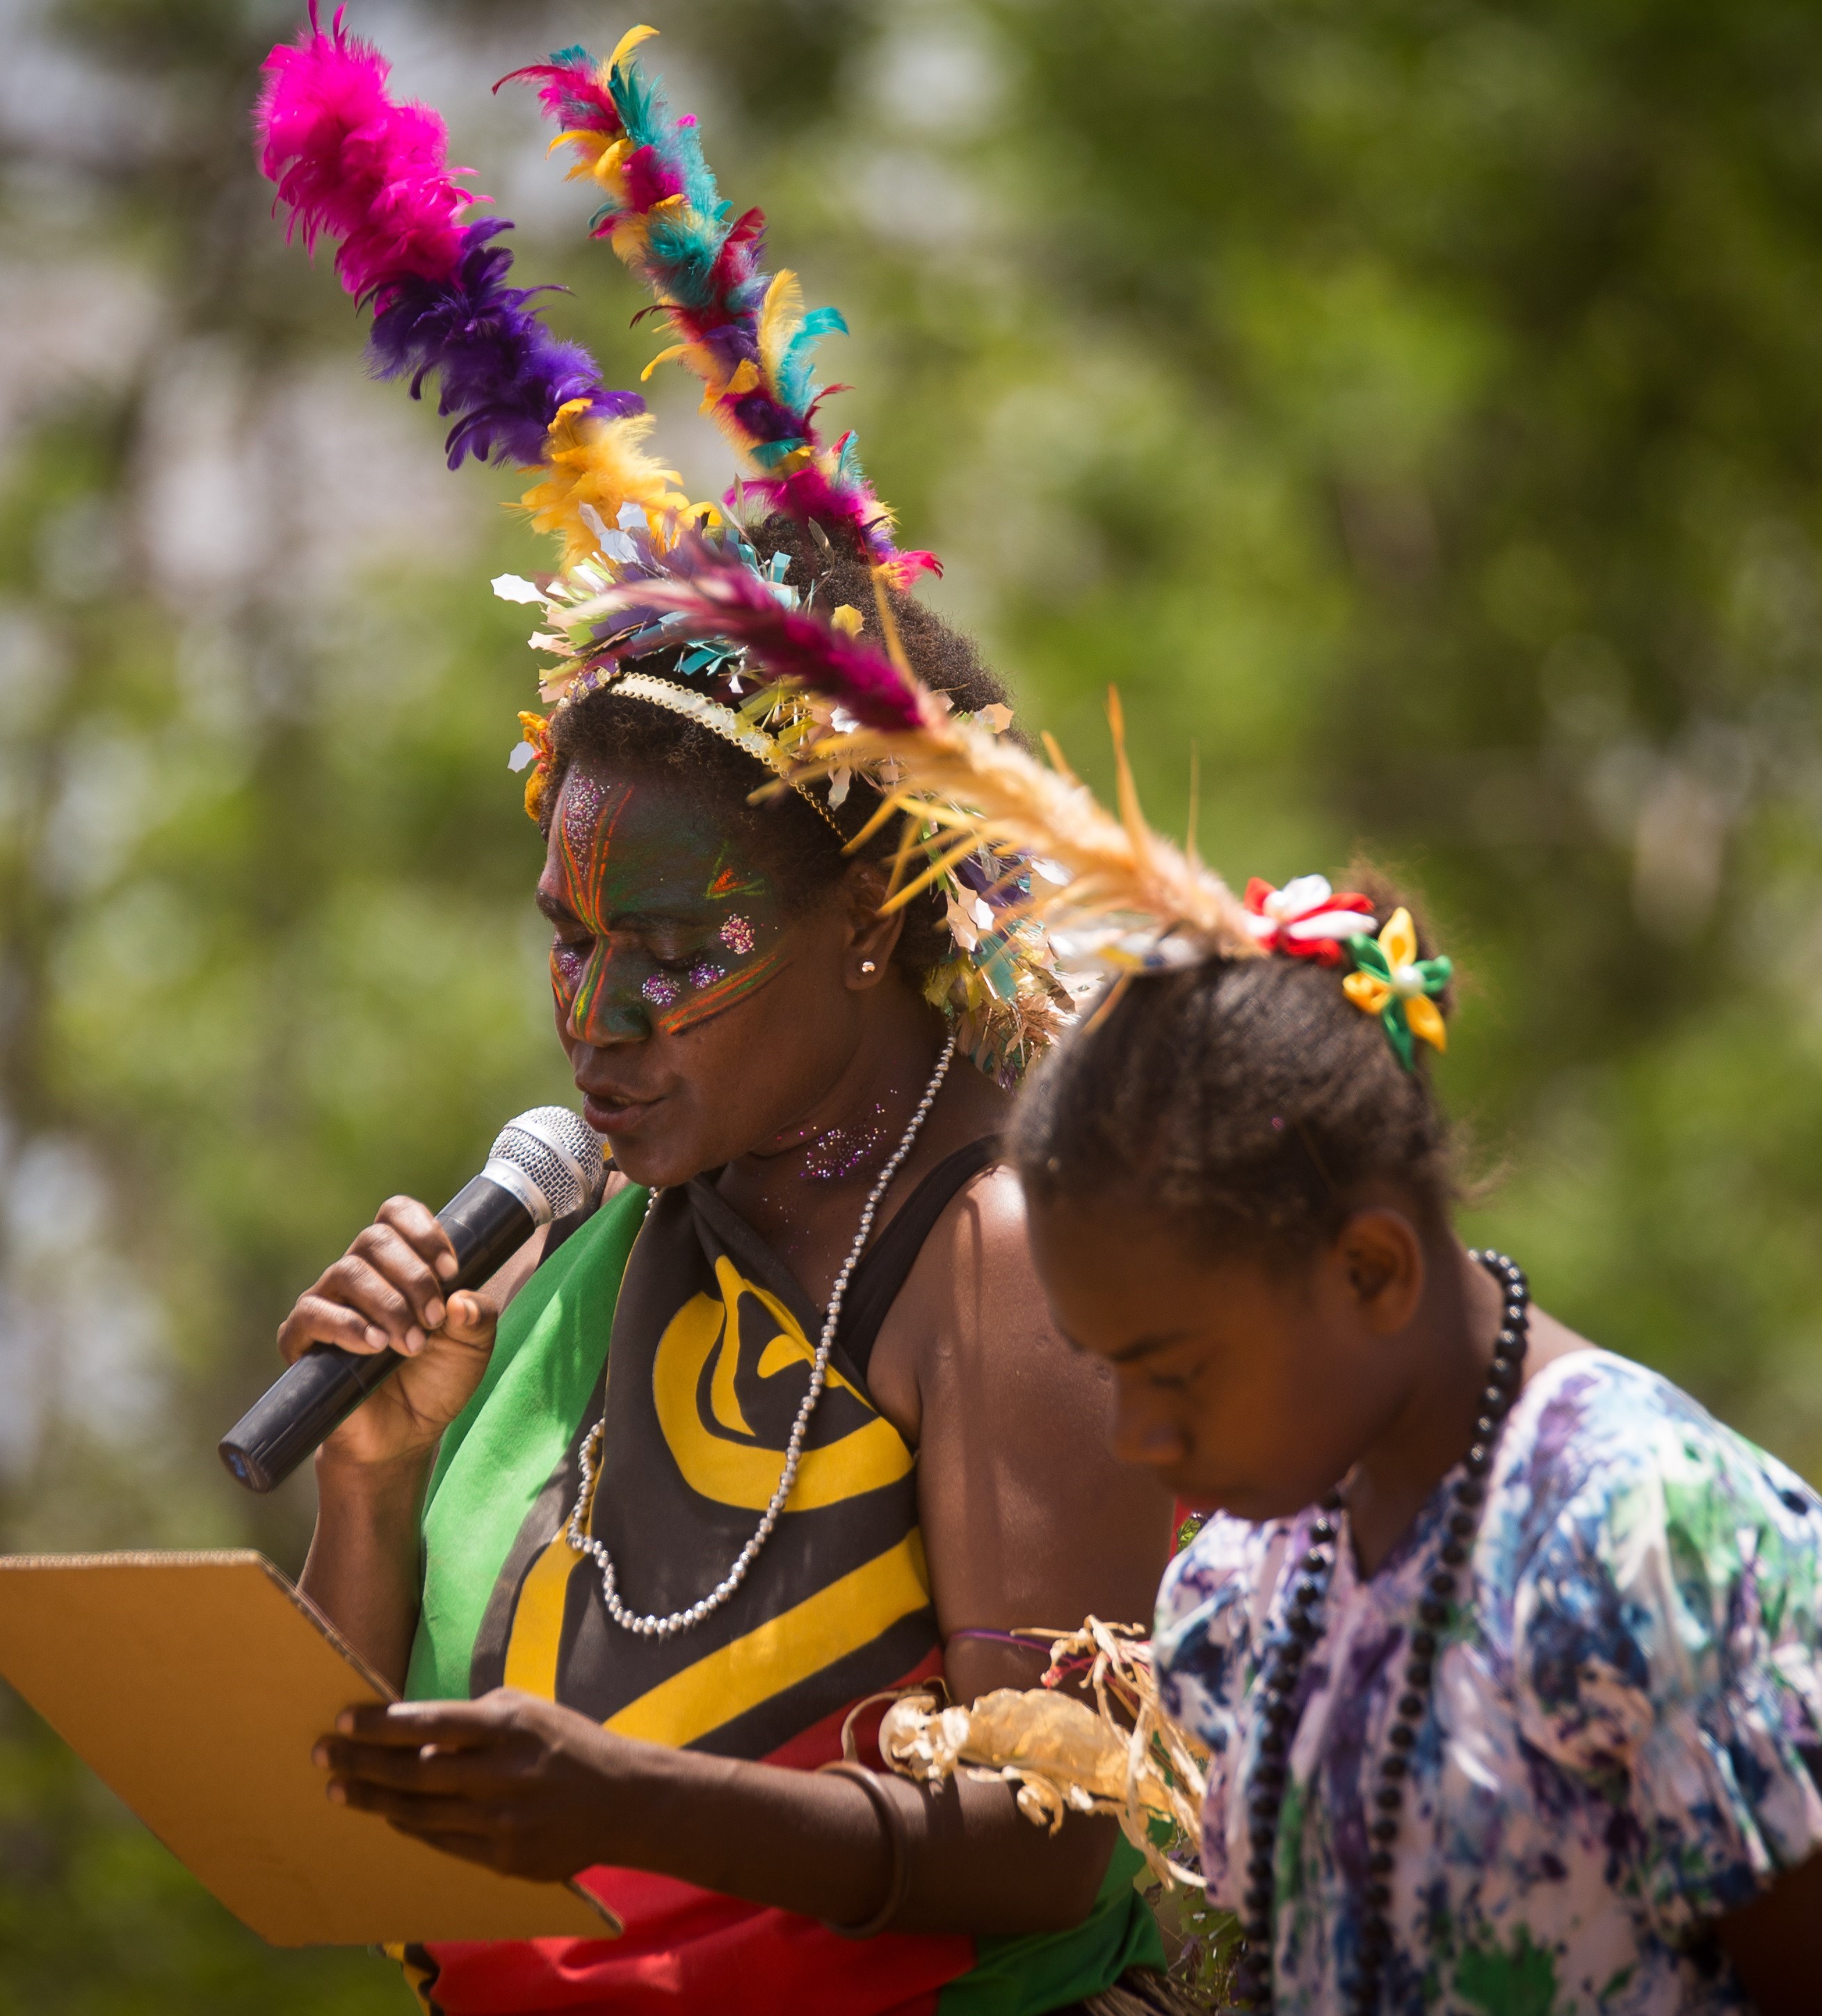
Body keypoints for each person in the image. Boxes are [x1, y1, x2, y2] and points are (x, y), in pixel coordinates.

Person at [256, 12, 1179, 2015]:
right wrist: (374, 1479)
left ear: (869, 916)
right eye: (565, 943)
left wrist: (632, 1800)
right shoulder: (588, 1237)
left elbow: (1052, 1838)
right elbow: (357, 1830)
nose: (595, 1018)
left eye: (671, 952)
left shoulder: (992, 1258)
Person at [1008, 880, 1822, 2014]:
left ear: (1370, 1272)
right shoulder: (1247, 1579)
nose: (1136, 1436)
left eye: (1176, 1370)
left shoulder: (1644, 1540)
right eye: (1108, 1367)